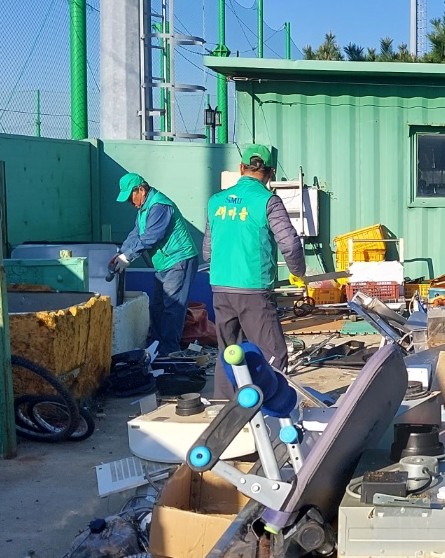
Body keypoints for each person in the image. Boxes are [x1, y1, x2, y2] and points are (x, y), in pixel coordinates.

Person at [203, 144, 307, 398]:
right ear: (271, 173)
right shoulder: (268, 202)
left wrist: (221, 274)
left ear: (241, 168)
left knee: (229, 351)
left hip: (220, 287)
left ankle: (225, 411)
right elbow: (290, 243)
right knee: (272, 352)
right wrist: (299, 272)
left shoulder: (216, 201)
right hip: (252, 289)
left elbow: (208, 250)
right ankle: (269, 409)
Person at [110, 173, 200, 355]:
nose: (130, 202)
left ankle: (168, 352)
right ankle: (156, 349)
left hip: (179, 260)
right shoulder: (144, 209)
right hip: (164, 263)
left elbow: (151, 237)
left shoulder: (159, 206)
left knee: (172, 308)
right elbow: (136, 234)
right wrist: (121, 252)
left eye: (130, 197)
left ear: (141, 190)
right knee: (158, 307)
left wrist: (128, 258)